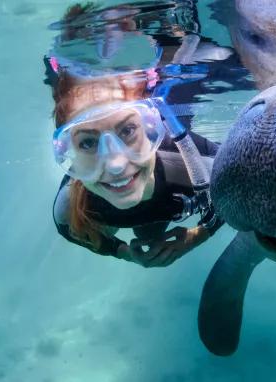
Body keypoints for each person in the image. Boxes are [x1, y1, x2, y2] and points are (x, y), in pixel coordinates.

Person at [50, 65, 223, 268]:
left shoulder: (198, 164)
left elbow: (238, 191)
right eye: (87, 143)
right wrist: (123, 252)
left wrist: (197, 236)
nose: (116, 165)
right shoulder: (70, 207)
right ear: (70, 153)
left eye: (128, 130)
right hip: (157, 206)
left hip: (161, 204)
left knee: (149, 234)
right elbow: (71, 231)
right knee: (145, 233)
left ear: (151, 128)